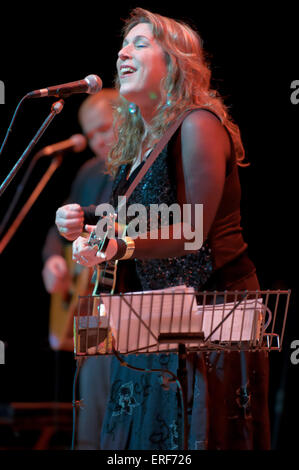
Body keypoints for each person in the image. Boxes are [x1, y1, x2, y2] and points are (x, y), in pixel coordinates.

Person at [55, 8, 270, 450]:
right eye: (123, 43)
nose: (122, 51)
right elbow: (135, 219)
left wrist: (117, 244)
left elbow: (192, 231)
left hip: (209, 330)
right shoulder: (140, 148)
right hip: (153, 331)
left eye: (140, 43)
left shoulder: (198, 125)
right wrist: (84, 221)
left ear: (174, 62)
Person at [42, 88, 118, 449]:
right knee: (90, 417)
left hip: (125, 305)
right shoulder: (89, 171)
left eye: (104, 129)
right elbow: (58, 232)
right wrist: (53, 259)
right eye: (90, 135)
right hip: (90, 312)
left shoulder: (141, 168)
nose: (97, 141)